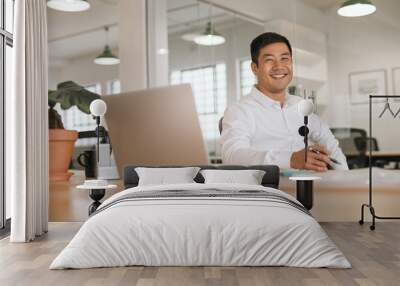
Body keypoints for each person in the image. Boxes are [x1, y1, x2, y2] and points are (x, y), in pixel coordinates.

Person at [220, 32, 348, 171]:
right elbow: (232, 155)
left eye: (284, 59)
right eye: (269, 60)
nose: (278, 66)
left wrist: (347, 181)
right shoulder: (239, 111)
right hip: (272, 190)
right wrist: (290, 159)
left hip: (314, 187)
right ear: (255, 68)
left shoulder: (302, 106)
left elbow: (332, 148)